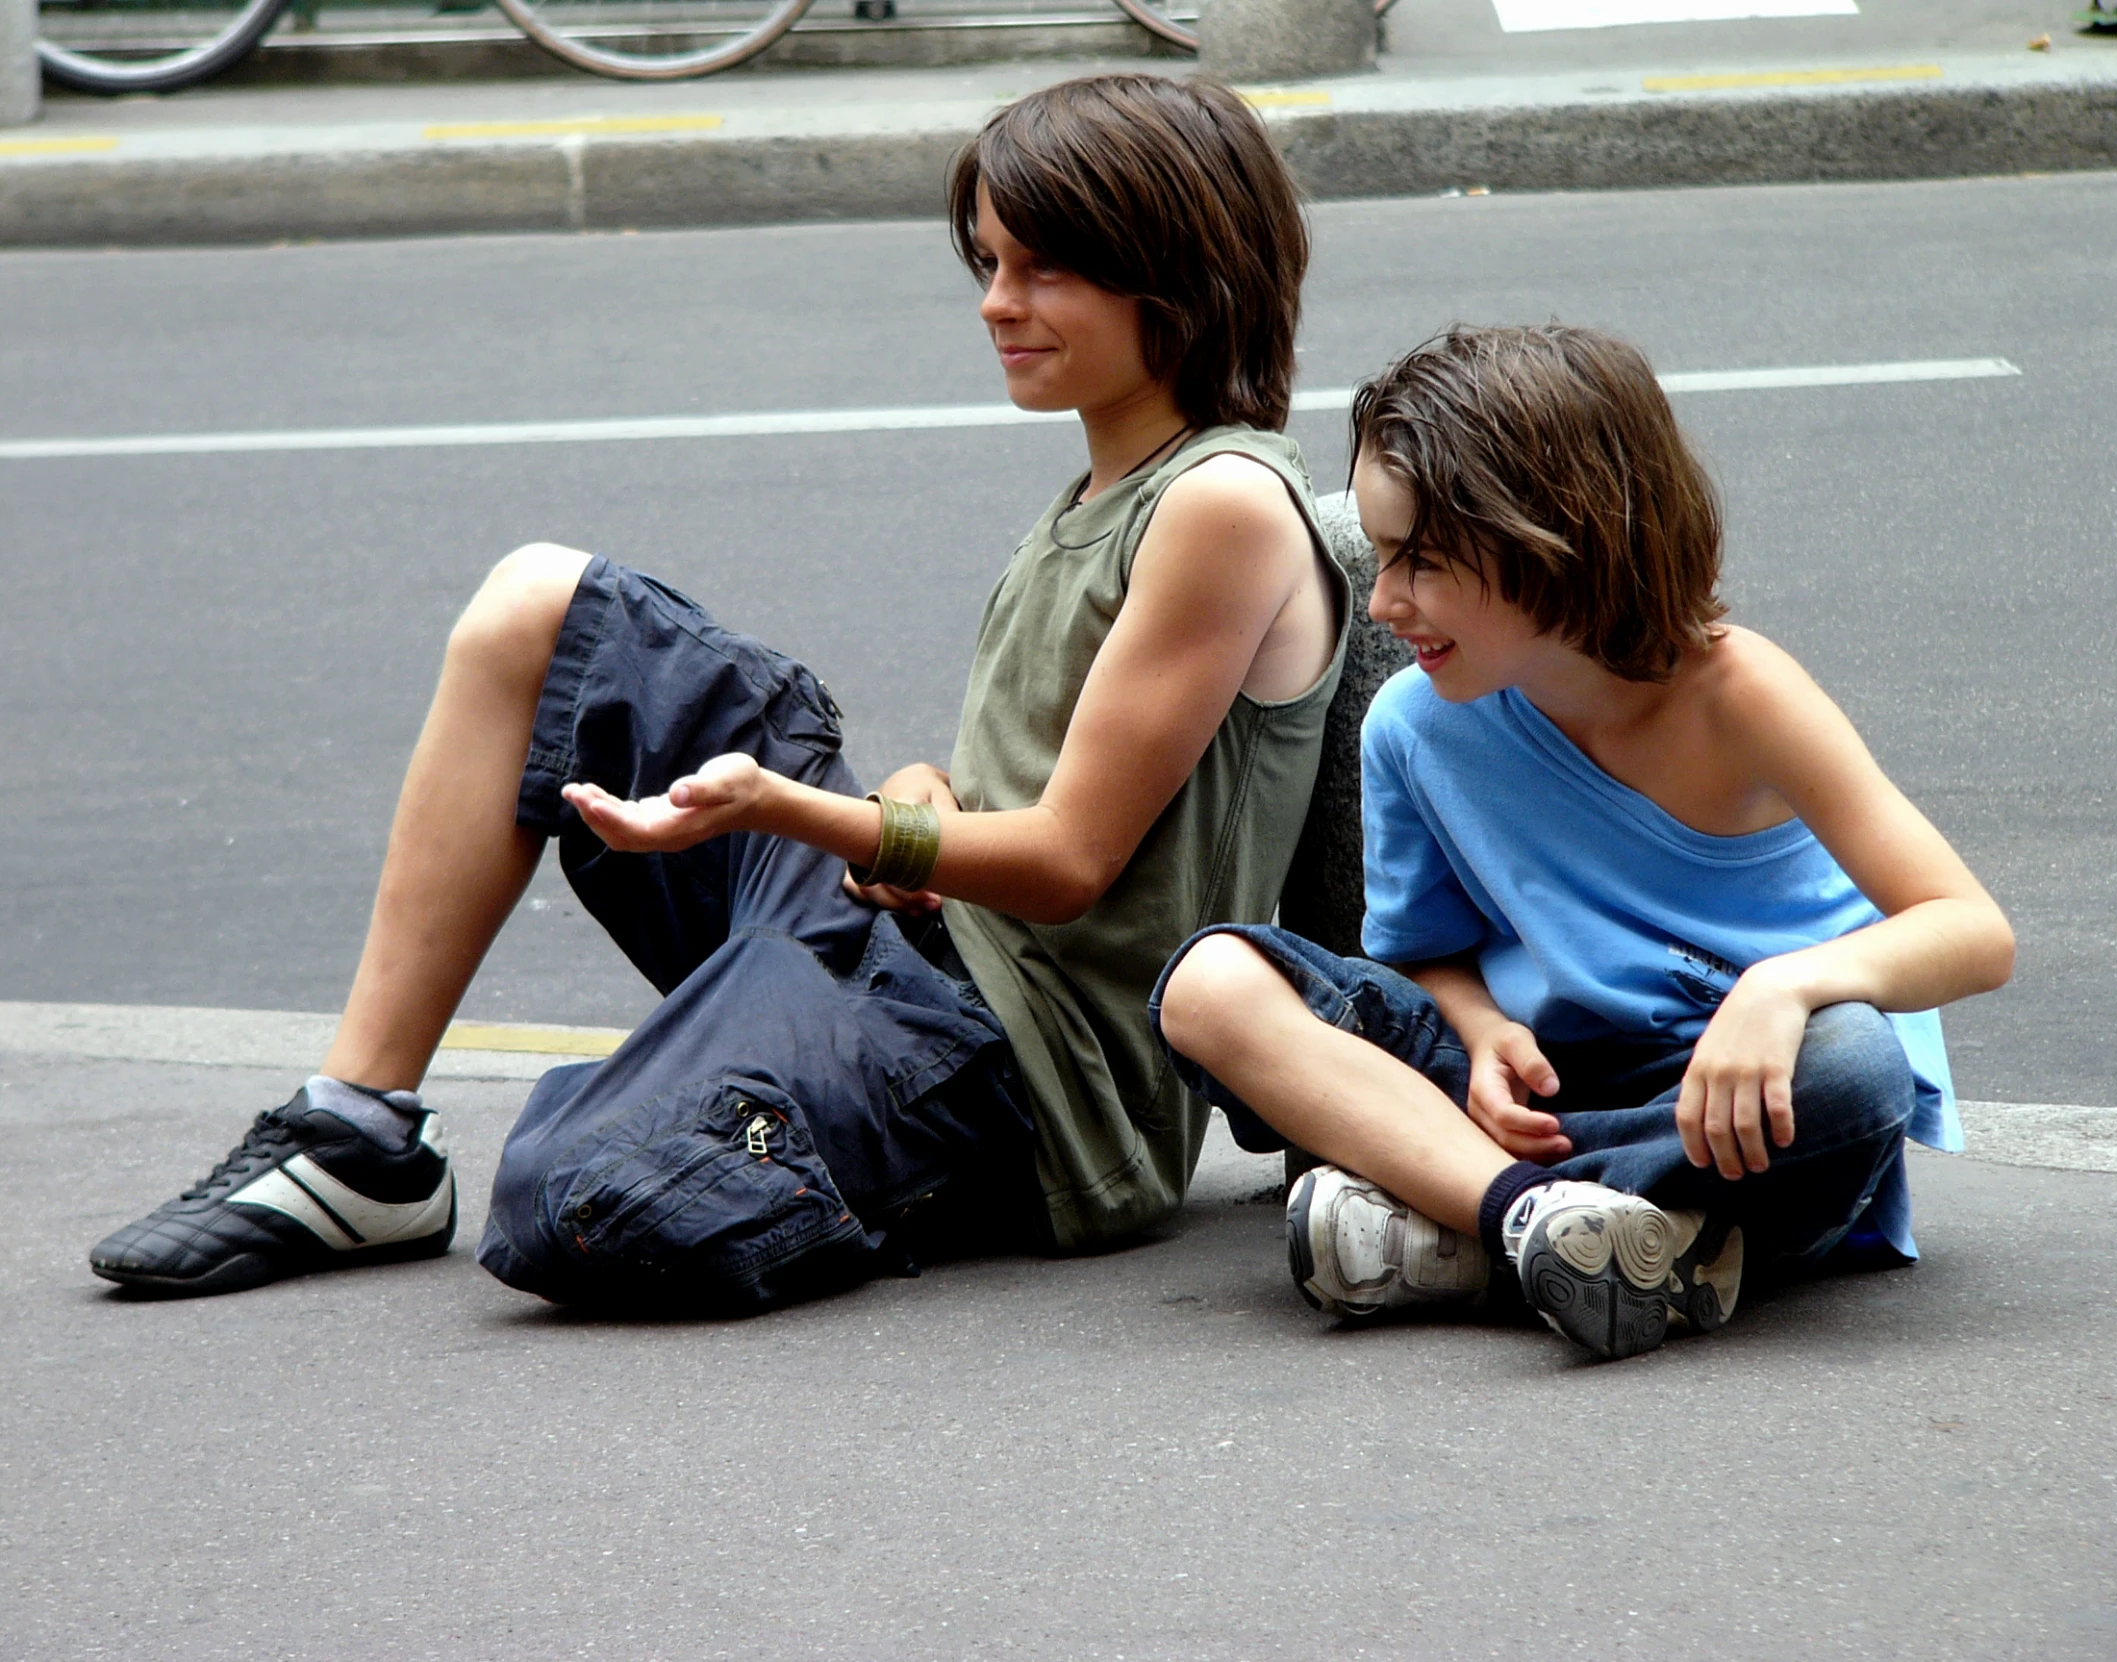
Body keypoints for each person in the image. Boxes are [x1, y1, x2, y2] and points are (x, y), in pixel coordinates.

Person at [88, 73, 1348, 1308]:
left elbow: (1071, 864)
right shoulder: (1105, 491)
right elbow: (1047, 807)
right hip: (915, 949)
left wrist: (785, 809)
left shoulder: (1218, 503)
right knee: (539, 606)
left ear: (1175, 276)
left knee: (574, 1191)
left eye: (1040, 270)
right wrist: (923, 795)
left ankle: (766, 1099)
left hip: (1032, 1083)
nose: (995, 304)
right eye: (985, 265)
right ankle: (357, 1136)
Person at [1152, 325, 2015, 1362]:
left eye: (1419, 561)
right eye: (1381, 559)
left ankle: (1455, 1216)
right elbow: (1422, 952)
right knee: (1207, 985)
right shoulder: (1411, 724)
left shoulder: (1738, 694)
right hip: (1536, 1089)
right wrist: (1475, 1032)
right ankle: (1561, 1227)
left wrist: (1778, 991)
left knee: (1854, 1075)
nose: (1383, 602)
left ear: (1552, 537)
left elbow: (1970, 931)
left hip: (1725, 1087)